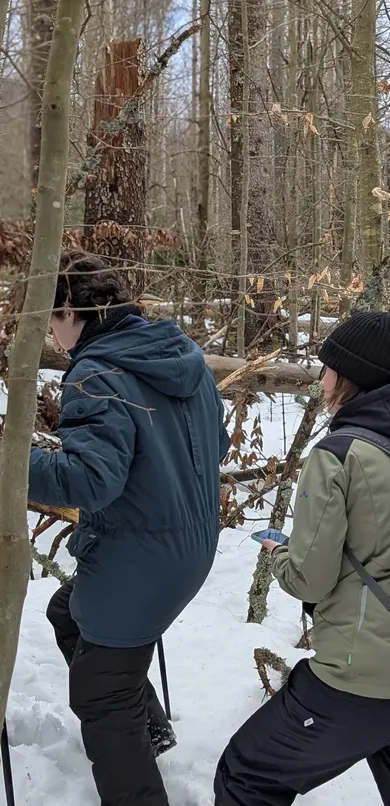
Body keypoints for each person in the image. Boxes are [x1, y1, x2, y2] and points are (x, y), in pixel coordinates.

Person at [215, 311, 390, 806]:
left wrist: (278, 555)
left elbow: (310, 580)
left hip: (359, 681)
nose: (322, 380)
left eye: (328, 369)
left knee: (246, 775)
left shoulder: (337, 455)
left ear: (351, 378)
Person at [29, 251, 229, 806]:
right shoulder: (180, 354)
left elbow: (90, 482)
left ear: (73, 307)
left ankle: (135, 765)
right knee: (67, 612)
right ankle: (152, 730)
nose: (50, 331)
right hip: (190, 544)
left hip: (141, 556)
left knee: (102, 692)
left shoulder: (97, 374)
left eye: (51, 315)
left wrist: (12, 463)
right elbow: (219, 443)